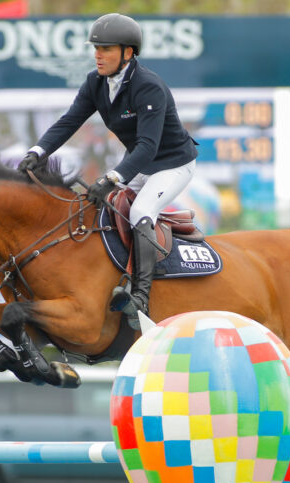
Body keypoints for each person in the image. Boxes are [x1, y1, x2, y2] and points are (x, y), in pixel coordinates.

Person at [18, 13, 197, 327]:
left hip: (172, 164)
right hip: (141, 164)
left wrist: (112, 177)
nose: (98, 55)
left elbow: (148, 147)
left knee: (141, 210)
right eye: (96, 48)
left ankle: (141, 295)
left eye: (107, 49)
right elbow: (69, 121)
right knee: (101, 208)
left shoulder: (148, 86)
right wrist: (38, 151)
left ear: (128, 53)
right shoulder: (95, 82)